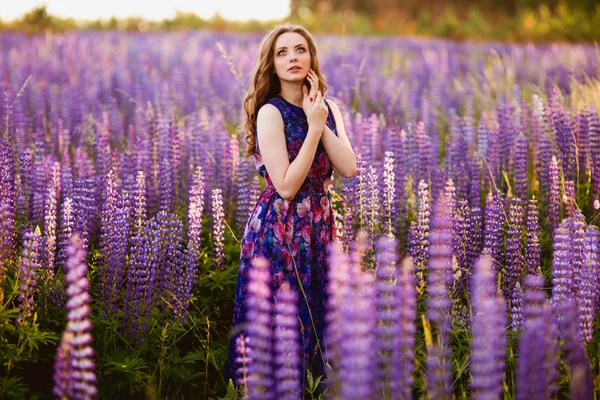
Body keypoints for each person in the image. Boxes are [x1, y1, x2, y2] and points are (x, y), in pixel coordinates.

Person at [225, 23, 357, 392]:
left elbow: (348, 167)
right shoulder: (271, 112)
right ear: (272, 64)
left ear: (312, 58)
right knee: (282, 321)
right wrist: (313, 130)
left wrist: (319, 118)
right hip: (279, 229)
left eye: (300, 49)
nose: (292, 58)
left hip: (319, 226)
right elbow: (285, 186)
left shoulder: (328, 108)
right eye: (282, 52)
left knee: (318, 317)